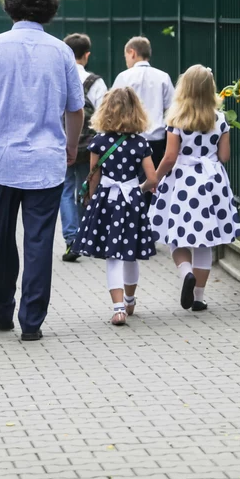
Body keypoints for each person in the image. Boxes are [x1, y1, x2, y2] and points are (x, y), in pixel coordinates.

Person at [0, 0, 85, 342]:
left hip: (0, 161)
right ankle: (32, 320)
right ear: (49, 9)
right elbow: (75, 110)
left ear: (10, 6)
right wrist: (71, 147)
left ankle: (0, 311)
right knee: (40, 241)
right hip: (47, 162)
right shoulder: (61, 51)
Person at [142, 65, 240, 312]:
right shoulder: (220, 120)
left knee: (176, 234)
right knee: (204, 241)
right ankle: (198, 298)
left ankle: (185, 272)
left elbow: (170, 157)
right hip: (211, 182)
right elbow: (225, 156)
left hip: (183, 183)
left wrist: (153, 179)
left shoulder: (176, 120)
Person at [74, 88, 157, 325]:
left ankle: (118, 308)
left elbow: (93, 177)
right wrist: (137, 189)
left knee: (113, 256)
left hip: (107, 203)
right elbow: (152, 179)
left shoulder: (98, 142)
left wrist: (91, 200)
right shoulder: (140, 143)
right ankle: (130, 300)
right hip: (131, 203)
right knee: (130, 254)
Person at [59, 33, 108, 262]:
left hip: (62, 143)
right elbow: (105, 113)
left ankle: (71, 239)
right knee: (87, 189)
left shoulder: (58, 77)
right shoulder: (95, 82)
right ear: (86, 55)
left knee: (66, 191)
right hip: (89, 146)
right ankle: (87, 238)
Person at [111, 36, 174, 205]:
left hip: (129, 140)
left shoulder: (124, 77)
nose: (126, 60)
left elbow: (114, 109)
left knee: (130, 186)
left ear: (132, 53)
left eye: (126, 56)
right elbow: (171, 110)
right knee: (154, 185)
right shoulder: (164, 77)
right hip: (157, 142)